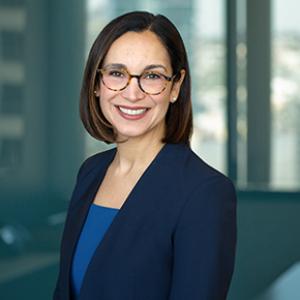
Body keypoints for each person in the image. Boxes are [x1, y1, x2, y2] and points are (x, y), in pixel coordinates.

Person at [53, 11, 237, 300]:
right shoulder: (90, 172)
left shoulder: (205, 192)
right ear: (97, 84)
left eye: (151, 76)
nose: (132, 93)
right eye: (117, 73)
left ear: (175, 86)